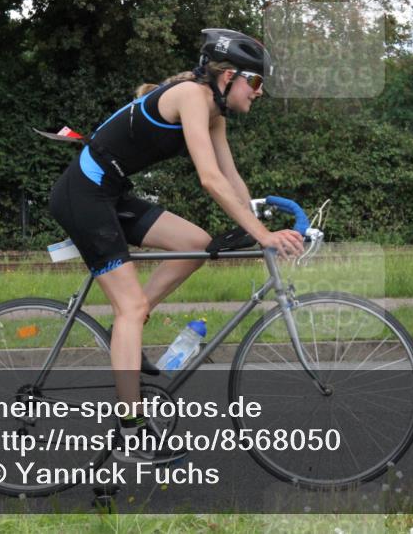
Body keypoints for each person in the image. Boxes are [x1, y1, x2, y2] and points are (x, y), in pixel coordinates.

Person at [48, 29, 305, 463]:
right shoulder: (191, 96)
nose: (259, 92)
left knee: (195, 244)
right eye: (256, 81)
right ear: (228, 77)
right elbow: (209, 179)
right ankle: (132, 431)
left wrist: (259, 225)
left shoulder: (215, 113)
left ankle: (126, 332)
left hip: (110, 194)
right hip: (83, 195)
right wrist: (263, 236)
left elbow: (230, 177)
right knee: (130, 307)